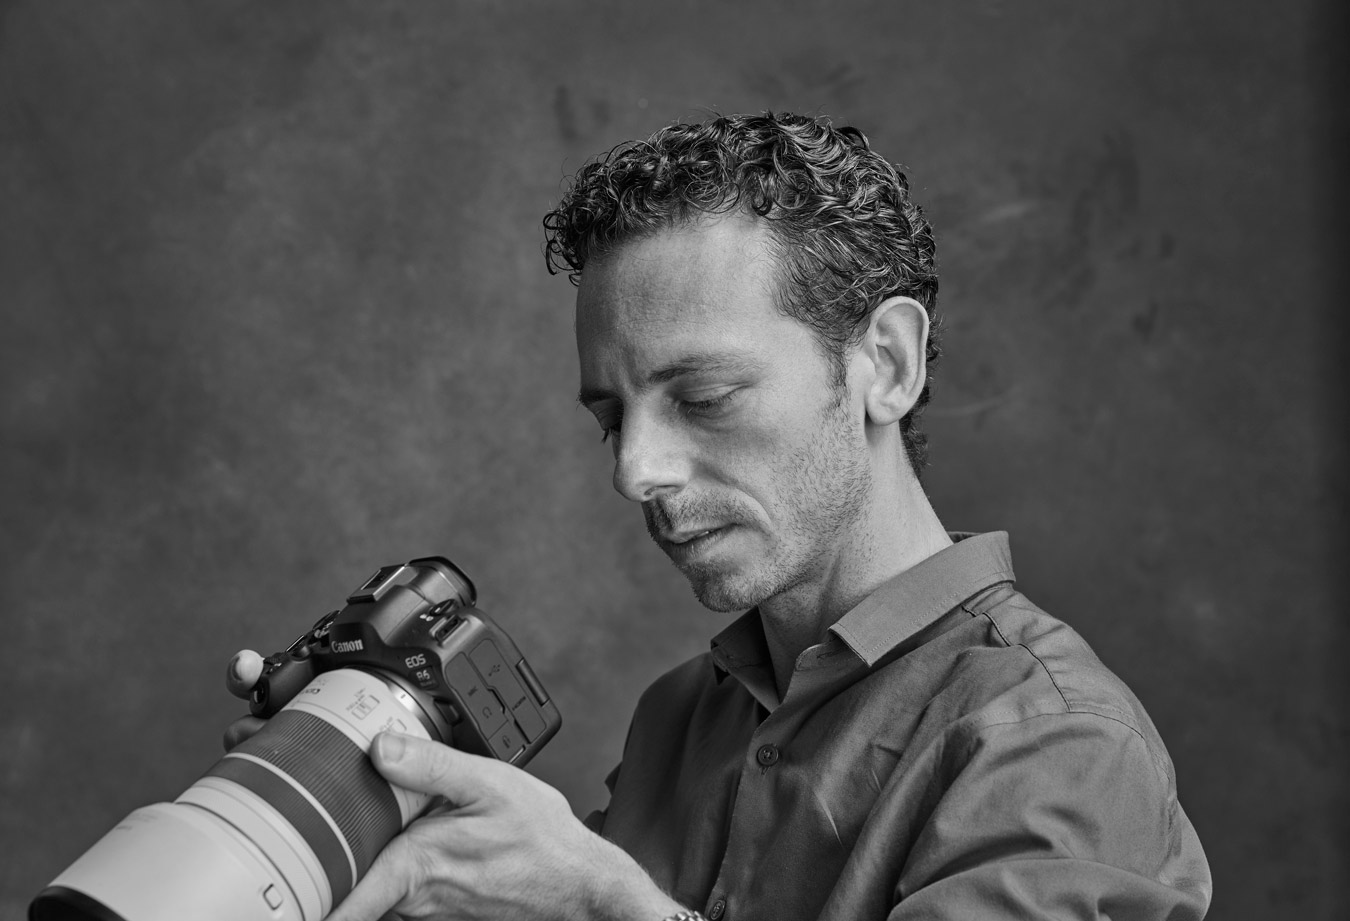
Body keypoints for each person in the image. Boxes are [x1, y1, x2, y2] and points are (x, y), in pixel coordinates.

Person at [227, 112, 1212, 920]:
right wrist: (385, 833)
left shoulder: (1056, 743)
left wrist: (600, 904)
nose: (635, 472)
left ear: (888, 366)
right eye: (611, 417)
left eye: (702, 397)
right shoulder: (683, 716)